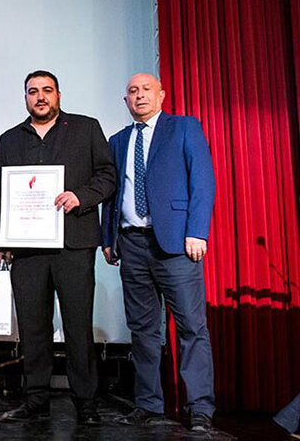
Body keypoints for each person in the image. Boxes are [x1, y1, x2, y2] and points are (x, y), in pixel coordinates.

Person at [0, 70, 116, 423]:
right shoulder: (10, 138)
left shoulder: (86, 128)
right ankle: (35, 399)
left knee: (78, 326)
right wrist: (2, 242)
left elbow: (107, 176)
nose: (40, 97)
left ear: (59, 94)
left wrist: (82, 196)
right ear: (25, 97)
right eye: (33, 92)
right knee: (33, 328)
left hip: (73, 244)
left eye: (47, 90)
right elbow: (0, 191)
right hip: (25, 248)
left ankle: (86, 402)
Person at [101, 73, 216, 432]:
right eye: (132, 92)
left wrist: (197, 231)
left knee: (191, 327)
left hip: (177, 245)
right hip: (131, 244)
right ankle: (149, 404)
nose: (139, 96)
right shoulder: (117, 141)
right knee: (143, 330)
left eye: (146, 89)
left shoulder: (184, 128)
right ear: (125, 101)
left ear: (162, 95)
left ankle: (199, 407)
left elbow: (203, 181)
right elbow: (112, 192)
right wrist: (108, 237)